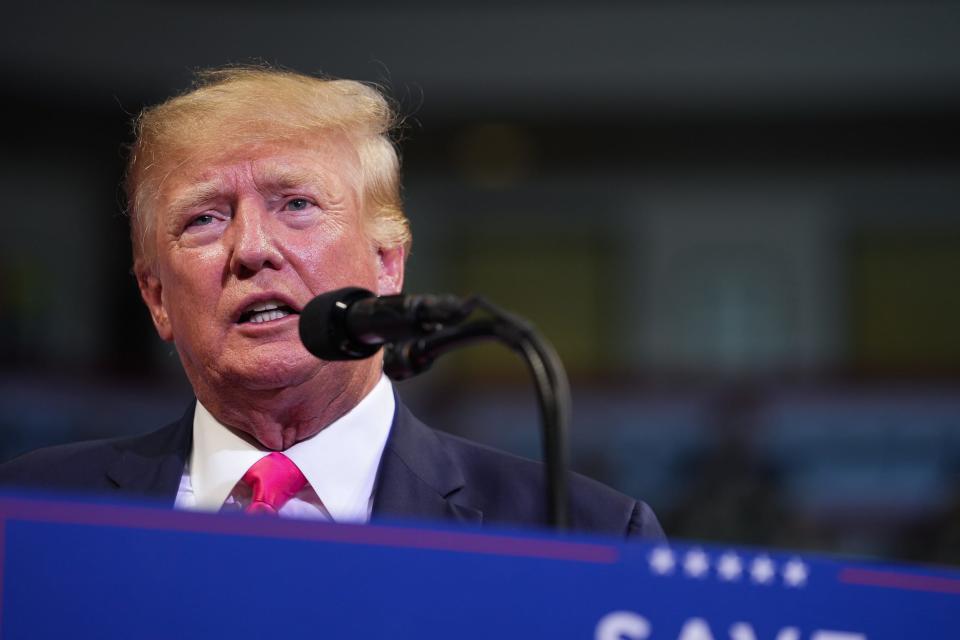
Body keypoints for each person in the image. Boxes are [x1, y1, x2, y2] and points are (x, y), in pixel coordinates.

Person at [0, 66, 663, 538]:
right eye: (203, 219)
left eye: (296, 205)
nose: (252, 249)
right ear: (156, 298)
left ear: (386, 264)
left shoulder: (588, 534)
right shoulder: (28, 510)